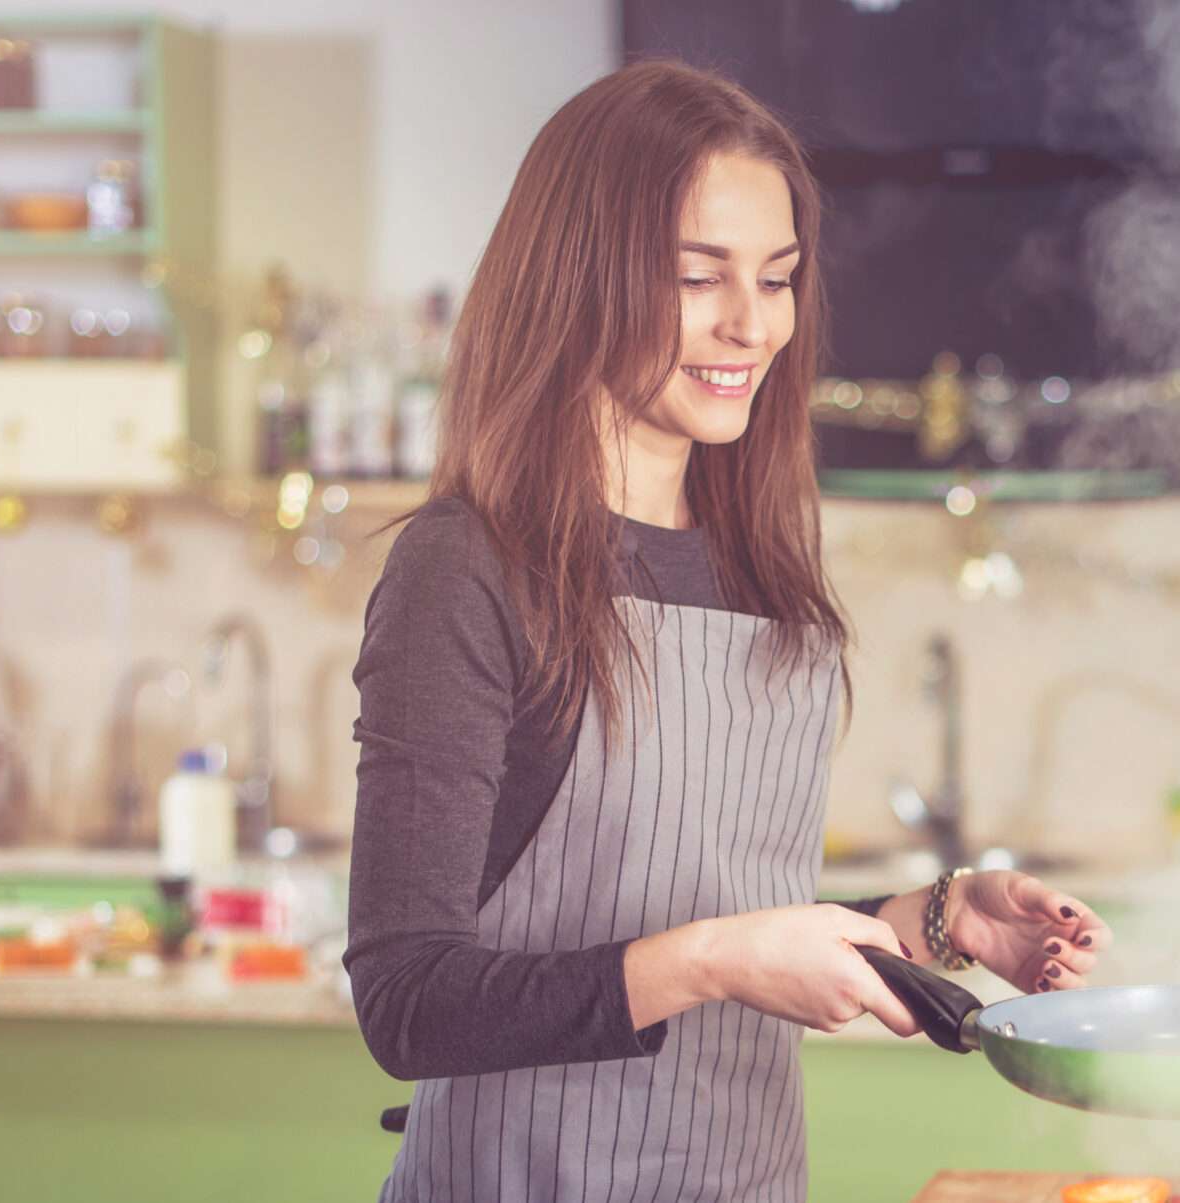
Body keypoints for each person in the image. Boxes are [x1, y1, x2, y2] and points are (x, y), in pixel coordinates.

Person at [345, 58, 1111, 1203]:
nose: (750, 325)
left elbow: (714, 908)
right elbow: (408, 1002)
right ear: (579, 278)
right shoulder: (465, 569)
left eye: (777, 277)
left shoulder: (760, 568)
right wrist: (716, 961)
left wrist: (933, 921)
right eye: (698, 277)